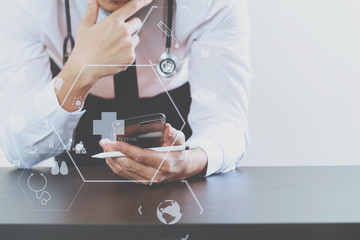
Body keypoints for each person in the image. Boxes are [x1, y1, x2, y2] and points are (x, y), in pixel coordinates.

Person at [0, 0, 251, 183]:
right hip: (75, 179)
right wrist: (79, 72)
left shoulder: (212, 5)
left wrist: (192, 160)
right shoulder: (25, 6)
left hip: (175, 145)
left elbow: (225, 121)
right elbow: (20, 151)